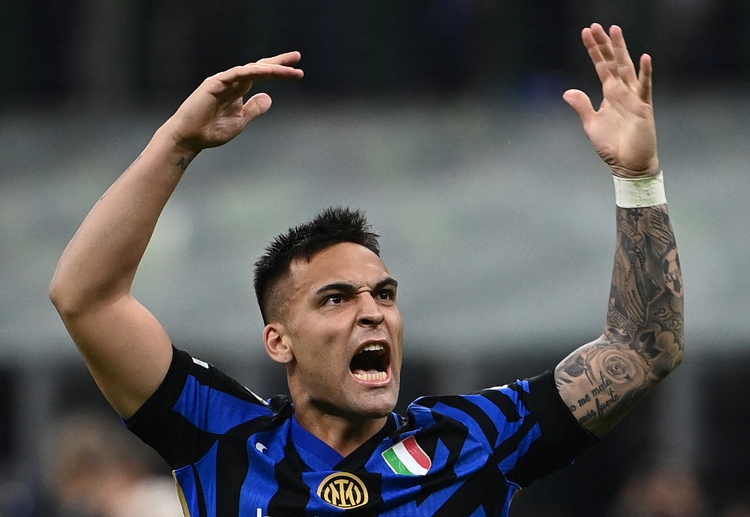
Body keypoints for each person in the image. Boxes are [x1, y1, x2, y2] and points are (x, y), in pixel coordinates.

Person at [49, 23, 684, 516]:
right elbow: (86, 298)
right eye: (335, 299)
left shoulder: (473, 438)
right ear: (279, 340)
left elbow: (643, 348)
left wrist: (638, 180)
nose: (372, 312)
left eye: (383, 293)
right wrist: (177, 143)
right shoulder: (222, 435)